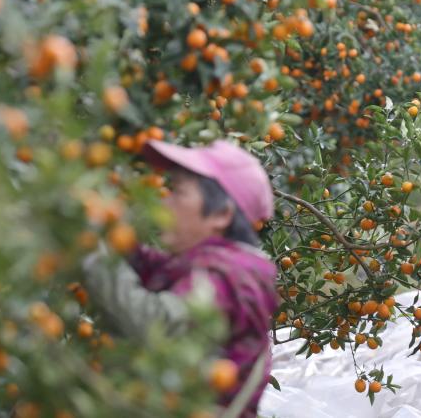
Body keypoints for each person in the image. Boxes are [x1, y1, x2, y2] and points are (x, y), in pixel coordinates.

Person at [81, 139, 279, 417]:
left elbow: (155, 323)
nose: (165, 200)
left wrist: (93, 250)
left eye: (178, 192)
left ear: (221, 214)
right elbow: (155, 268)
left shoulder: (229, 276)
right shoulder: (218, 267)